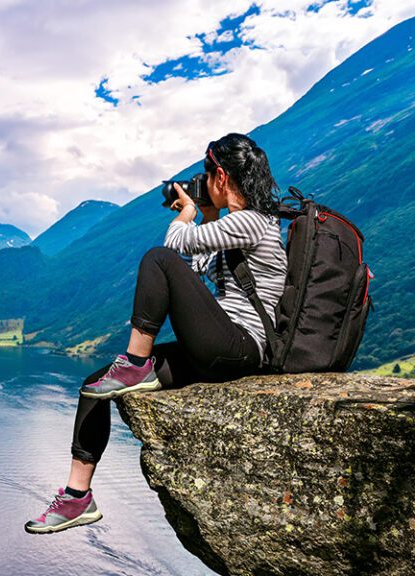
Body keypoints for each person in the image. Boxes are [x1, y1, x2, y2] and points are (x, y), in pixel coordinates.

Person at [24, 133, 288, 534]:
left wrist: (186, 214)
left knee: (158, 258)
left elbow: (175, 246)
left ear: (219, 175)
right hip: (220, 345)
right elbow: (196, 274)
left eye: (205, 175)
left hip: (242, 347)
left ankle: (135, 362)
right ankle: (78, 497)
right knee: (96, 384)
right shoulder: (237, 225)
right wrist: (207, 214)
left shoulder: (254, 221)